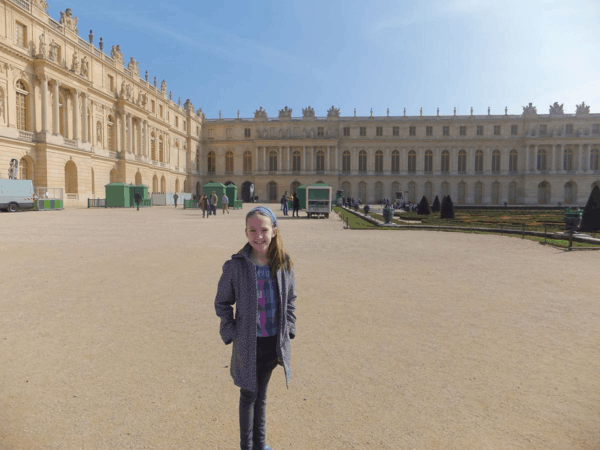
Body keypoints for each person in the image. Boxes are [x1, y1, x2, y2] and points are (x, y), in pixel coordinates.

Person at [215, 206, 297, 450]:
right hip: (248, 343)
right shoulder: (235, 266)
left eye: (263, 229)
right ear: (245, 232)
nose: (258, 235)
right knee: (248, 395)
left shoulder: (283, 263)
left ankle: (260, 445)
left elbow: (291, 299)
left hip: (272, 344)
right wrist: (231, 332)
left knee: (261, 397)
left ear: (274, 230)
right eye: (253, 230)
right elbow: (222, 302)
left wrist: (288, 329)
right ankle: (247, 447)